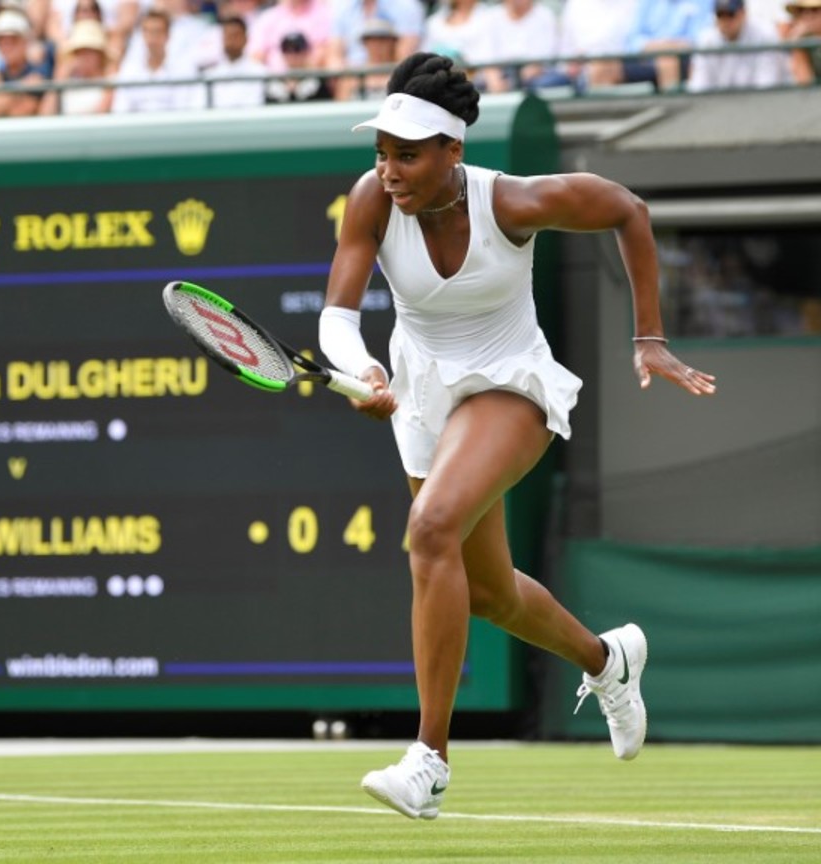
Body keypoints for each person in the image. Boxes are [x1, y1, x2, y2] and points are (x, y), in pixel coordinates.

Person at [319, 53, 717, 820]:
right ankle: (608, 661)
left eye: (408, 154)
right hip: (423, 397)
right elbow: (338, 318)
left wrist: (649, 336)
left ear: (453, 151)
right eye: (382, 151)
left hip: (509, 386)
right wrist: (364, 369)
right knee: (490, 593)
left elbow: (627, 209)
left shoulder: (513, 203)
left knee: (430, 527)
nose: (389, 170)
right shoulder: (371, 198)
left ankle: (429, 761)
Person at [687, 0, 788, 91]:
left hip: (766, 101)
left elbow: (766, 85)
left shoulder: (765, 34)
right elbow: (700, 85)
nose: (725, 21)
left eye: (731, 15)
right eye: (720, 15)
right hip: (722, 102)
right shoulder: (706, 40)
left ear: (743, 13)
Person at [202, 14, 266, 108]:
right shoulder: (210, 74)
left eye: (235, 36)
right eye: (227, 36)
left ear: (246, 39)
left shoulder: (260, 72)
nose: (231, 41)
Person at [784, 0, 821, 83]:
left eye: (815, 10)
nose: (807, 15)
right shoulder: (802, 41)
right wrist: (797, 43)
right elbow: (804, 82)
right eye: (801, 10)